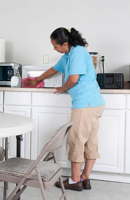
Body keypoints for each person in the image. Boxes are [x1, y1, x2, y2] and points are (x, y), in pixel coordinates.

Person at [24, 27, 105, 191]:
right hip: (95, 103)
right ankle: (85, 178)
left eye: (55, 46)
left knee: (76, 141)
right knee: (90, 141)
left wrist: (61, 88)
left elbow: (73, 79)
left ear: (65, 43)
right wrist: (37, 79)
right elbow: (54, 69)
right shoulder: (69, 55)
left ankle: (75, 181)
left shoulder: (77, 53)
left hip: (85, 104)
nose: (54, 49)